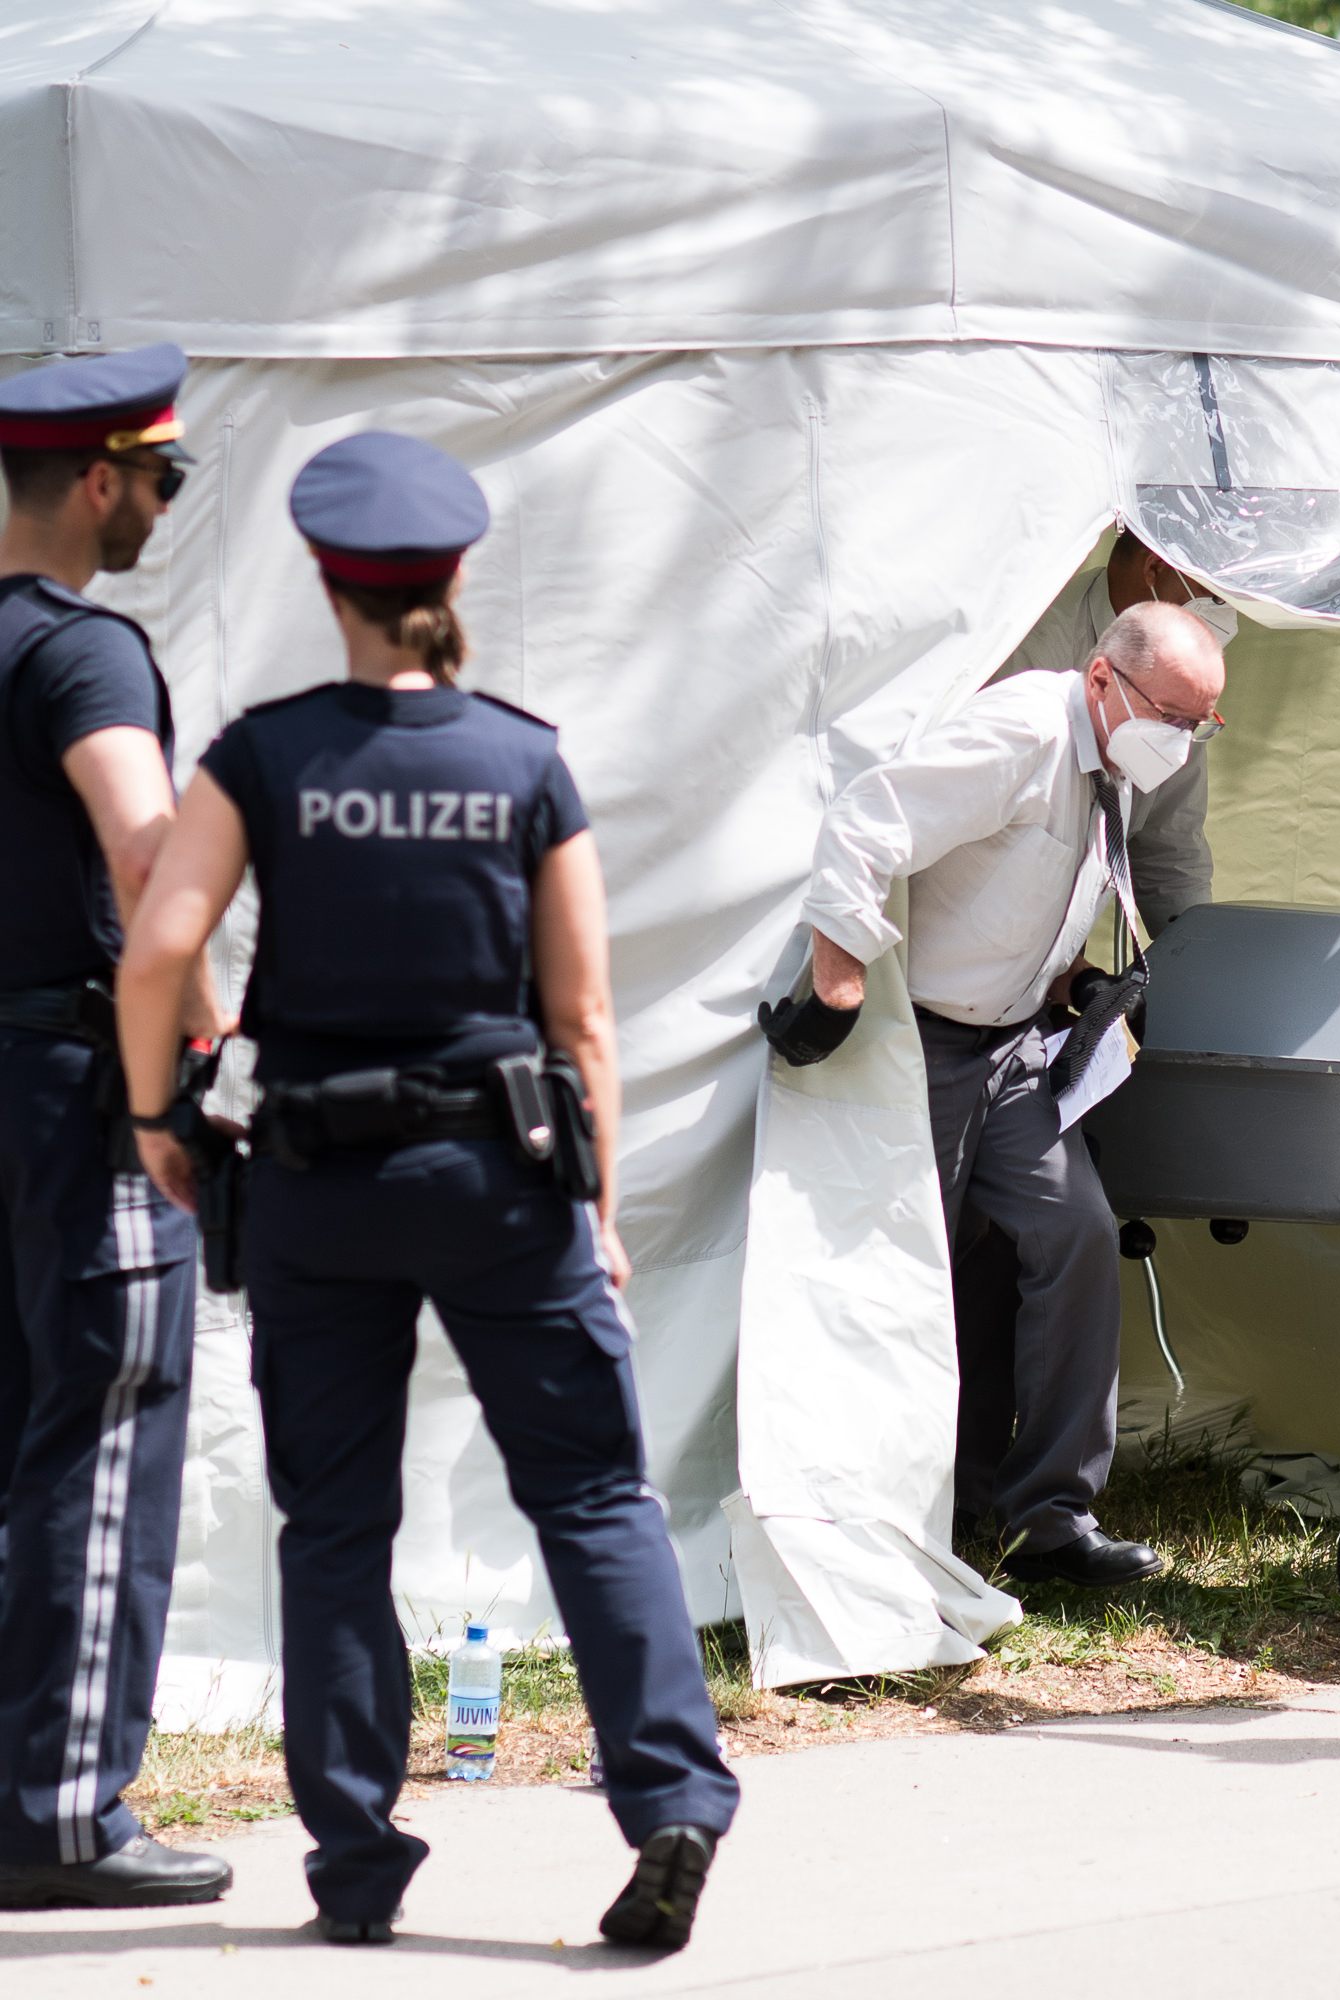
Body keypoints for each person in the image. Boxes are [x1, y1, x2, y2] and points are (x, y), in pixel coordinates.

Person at [115, 432, 739, 1945]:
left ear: (325, 583)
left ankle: (354, 1865)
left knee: (333, 1525)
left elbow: (159, 945)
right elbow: (583, 1016)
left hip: (317, 1184)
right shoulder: (522, 760)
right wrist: (597, 1212)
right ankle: (668, 1799)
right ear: (453, 578)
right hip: (500, 1180)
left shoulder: (262, 756)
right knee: (591, 1493)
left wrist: (157, 1118)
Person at [764, 600, 1227, 1586]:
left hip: (1014, 1044)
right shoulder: (1022, 731)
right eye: (1171, 716)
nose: (1181, 742)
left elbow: (1022, 899)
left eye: (1200, 725)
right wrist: (837, 983)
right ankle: (868, 1511)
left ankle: (1049, 1518)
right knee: (905, 1269)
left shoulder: (1112, 765)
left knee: (1076, 1232)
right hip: (926, 1040)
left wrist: (1076, 986)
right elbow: (866, 822)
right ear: (1102, 677)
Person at [0, 345, 236, 1910]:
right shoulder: (83, 650)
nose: (164, 502)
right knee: (100, 1433)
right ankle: (65, 1812)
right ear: (100, 480)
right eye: (161, 476)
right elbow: (149, 858)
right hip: (77, 1096)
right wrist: (198, 1049)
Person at [996, 528, 1237, 932]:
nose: (1227, 615)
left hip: (1050, 938)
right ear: (1100, 681)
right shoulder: (1029, 653)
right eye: (1215, 597)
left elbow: (1171, 849)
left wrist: (1195, 952)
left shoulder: (1179, 661)